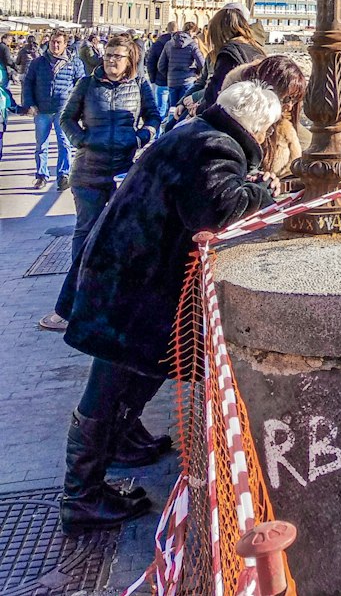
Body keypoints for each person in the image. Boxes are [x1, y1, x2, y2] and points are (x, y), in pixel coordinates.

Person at [55, 79, 283, 534]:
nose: (266, 138)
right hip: (131, 285)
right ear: (255, 126)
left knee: (131, 370)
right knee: (107, 384)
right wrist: (263, 191)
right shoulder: (215, 147)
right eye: (267, 130)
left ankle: (111, 454)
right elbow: (216, 210)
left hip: (124, 274)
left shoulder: (198, 132)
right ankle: (81, 496)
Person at [60, 35, 161, 262]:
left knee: (123, 228)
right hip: (88, 171)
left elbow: (154, 117)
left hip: (122, 170)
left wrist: (140, 138)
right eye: (107, 55)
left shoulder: (139, 85)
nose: (111, 60)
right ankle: (77, 281)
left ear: (129, 60)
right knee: (86, 229)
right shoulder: (87, 84)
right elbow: (66, 118)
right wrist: (82, 140)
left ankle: (112, 283)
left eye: (117, 56)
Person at [222, 54, 306, 178]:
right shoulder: (230, 129)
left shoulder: (285, 128)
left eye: (295, 100)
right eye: (287, 98)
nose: (290, 107)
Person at [22, 29, 86, 191]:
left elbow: (81, 86)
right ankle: (41, 175)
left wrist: (78, 108)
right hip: (41, 109)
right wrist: (29, 103)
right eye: (53, 42)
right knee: (41, 145)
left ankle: (63, 176)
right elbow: (28, 83)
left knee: (64, 144)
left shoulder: (74, 63)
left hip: (63, 111)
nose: (55, 45)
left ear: (65, 44)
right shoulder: (38, 62)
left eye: (59, 42)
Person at [186, 5, 266, 115]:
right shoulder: (256, 49)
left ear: (219, 32)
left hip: (232, 116)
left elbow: (217, 92)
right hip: (253, 115)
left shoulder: (229, 53)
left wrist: (197, 110)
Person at [155, 20, 205, 111]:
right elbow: (202, 64)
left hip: (172, 81)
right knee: (184, 109)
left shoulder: (169, 43)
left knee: (172, 109)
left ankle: (170, 124)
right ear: (192, 32)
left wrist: (169, 75)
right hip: (187, 80)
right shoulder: (192, 45)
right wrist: (196, 73)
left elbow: (161, 65)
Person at [145, 21, 177, 120]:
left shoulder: (157, 43)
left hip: (160, 80)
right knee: (173, 110)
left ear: (166, 29)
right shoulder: (181, 43)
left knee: (160, 109)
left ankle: (157, 134)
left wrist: (153, 79)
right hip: (176, 81)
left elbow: (150, 62)